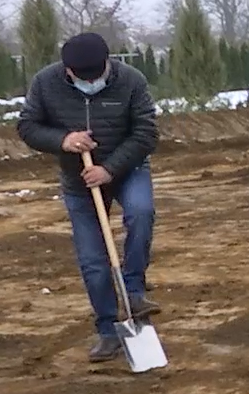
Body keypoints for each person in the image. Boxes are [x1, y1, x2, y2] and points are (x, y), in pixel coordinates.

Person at [16, 33, 160, 362]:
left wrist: (109, 169)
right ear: (68, 72)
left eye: (98, 76)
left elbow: (146, 133)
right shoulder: (45, 83)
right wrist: (63, 139)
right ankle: (108, 330)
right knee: (94, 262)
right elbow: (28, 126)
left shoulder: (131, 81)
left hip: (127, 168)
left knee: (141, 212)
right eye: (84, 78)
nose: (92, 82)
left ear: (108, 63)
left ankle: (134, 290)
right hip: (78, 178)